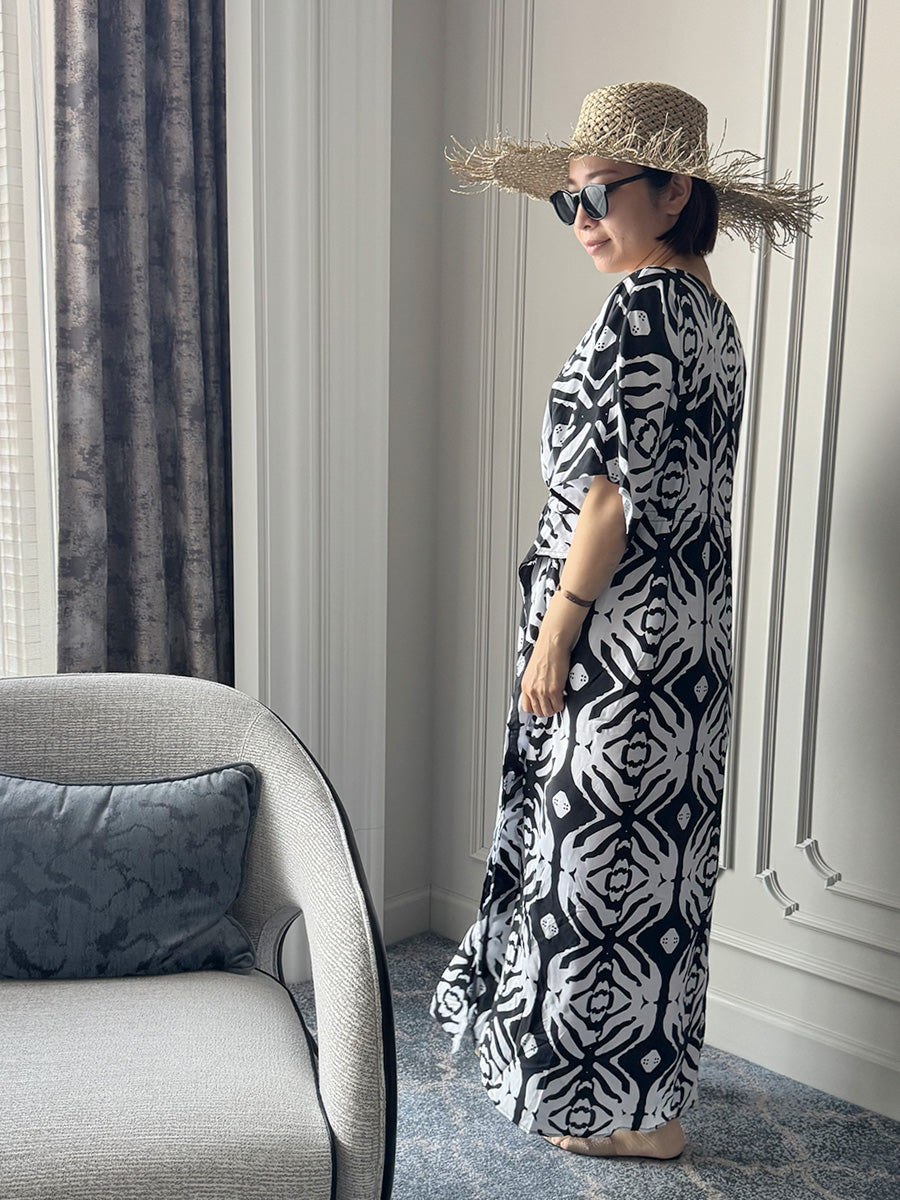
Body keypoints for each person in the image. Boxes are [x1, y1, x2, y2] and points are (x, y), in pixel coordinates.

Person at [429, 81, 822, 1160]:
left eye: (599, 194)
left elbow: (609, 495)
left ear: (674, 190)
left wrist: (558, 631)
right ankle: (648, 1104)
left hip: (623, 642)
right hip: (688, 645)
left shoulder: (643, 307)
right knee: (657, 875)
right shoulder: (711, 316)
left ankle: (613, 1116)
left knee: (591, 867)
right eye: (569, 201)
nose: (581, 219)